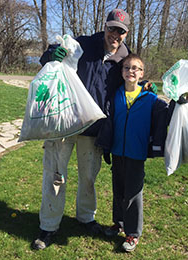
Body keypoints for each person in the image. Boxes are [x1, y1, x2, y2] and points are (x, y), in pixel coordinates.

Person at [32, 9, 154, 250]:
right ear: (105, 27)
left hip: (95, 127)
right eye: (111, 28)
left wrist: (145, 86)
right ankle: (48, 226)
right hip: (65, 122)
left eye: (120, 31)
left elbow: (131, 83)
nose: (115, 35)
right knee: (55, 175)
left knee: (89, 177)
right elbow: (51, 57)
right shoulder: (84, 43)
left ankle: (86, 217)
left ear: (126, 33)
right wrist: (50, 54)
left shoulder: (125, 58)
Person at [95, 53, 171, 252]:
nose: (131, 71)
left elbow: (167, 114)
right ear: (121, 72)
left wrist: (180, 101)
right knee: (118, 191)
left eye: (135, 68)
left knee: (133, 194)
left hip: (137, 153)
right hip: (118, 151)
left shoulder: (150, 98)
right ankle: (119, 223)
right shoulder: (116, 95)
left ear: (142, 73)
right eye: (127, 67)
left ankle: (133, 233)